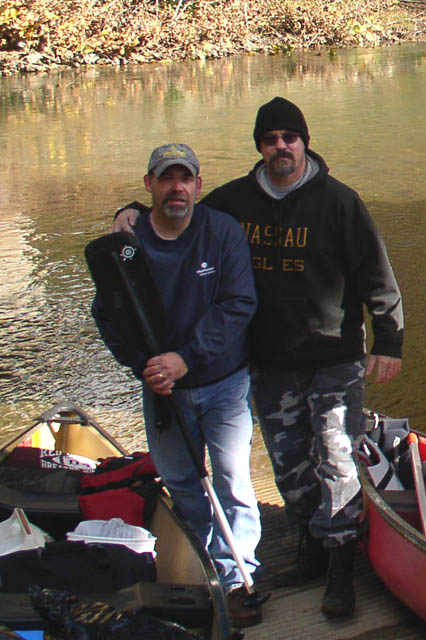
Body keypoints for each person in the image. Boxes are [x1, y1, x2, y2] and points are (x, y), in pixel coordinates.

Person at [113, 98, 404, 619]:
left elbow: (374, 273)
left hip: (334, 353)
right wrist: (128, 211)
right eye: (270, 139)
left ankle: (340, 561)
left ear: (304, 142)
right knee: (290, 464)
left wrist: (389, 340)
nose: (281, 148)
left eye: (290, 137)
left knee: (337, 455)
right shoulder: (233, 202)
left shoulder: (339, 201)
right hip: (268, 359)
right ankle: (310, 547)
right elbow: (177, 210)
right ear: (260, 147)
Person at [92, 143, 263, 628]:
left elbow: (238, 304)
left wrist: (185, 359)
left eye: (184, 179)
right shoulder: (126, 245)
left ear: (198, 186)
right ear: (148, 186)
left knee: (232, 481)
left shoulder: (222, 232)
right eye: (166, 179)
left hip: (224, 382)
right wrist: (144, 367)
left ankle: (238, 578)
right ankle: (199, 572)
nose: (176, 189)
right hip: (161, 390)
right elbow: (108, 315)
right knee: (185, 486)